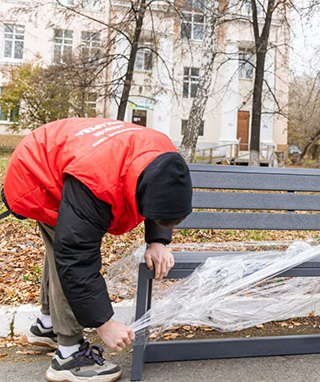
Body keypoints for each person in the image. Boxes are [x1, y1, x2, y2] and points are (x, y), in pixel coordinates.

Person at [1, 118, 193, 382]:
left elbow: (158, 189)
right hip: (36, 173)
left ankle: (47, 326)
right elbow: (75, 255)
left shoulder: (164, 158)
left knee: (61, 245)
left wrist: (158, 240)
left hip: (66, 154)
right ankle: (68, 356)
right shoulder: (97, 181)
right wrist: (104, 323)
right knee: (64, 247)